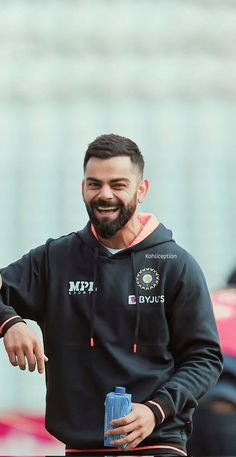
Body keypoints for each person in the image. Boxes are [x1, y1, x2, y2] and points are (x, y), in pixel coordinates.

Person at [0, 134, 222, 456]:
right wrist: (9, 322)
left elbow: (205, 358)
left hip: (157, 443)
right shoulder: (55, 258)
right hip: (81, 448)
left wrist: (155, 410)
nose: (105, 195)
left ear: (141, 189)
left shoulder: (176, 265)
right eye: (95, 184)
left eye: (118, 184)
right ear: (82, 188)